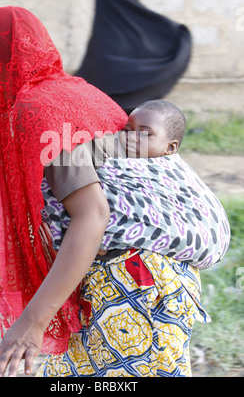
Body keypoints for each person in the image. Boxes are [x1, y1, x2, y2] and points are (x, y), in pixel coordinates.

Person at [0, 5, 128, 377]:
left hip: (126, 285)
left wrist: (32, 324)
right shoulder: (80, 92)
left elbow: (93, 213)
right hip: (154, 277)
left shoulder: (39, 110)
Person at [35, 101, 230, 377]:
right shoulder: (117, 166)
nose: (129, 138)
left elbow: (101, 211)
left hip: (151, 292)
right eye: (126, 129)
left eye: (144, 133)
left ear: (170, 148)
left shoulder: (167, 173)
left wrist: (100, 232)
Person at [75, 0, 192, 114]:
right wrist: (169, 29)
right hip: (114, 27)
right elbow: (125, 2)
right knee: (107, 75)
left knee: (105, 76)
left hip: (114, 28)